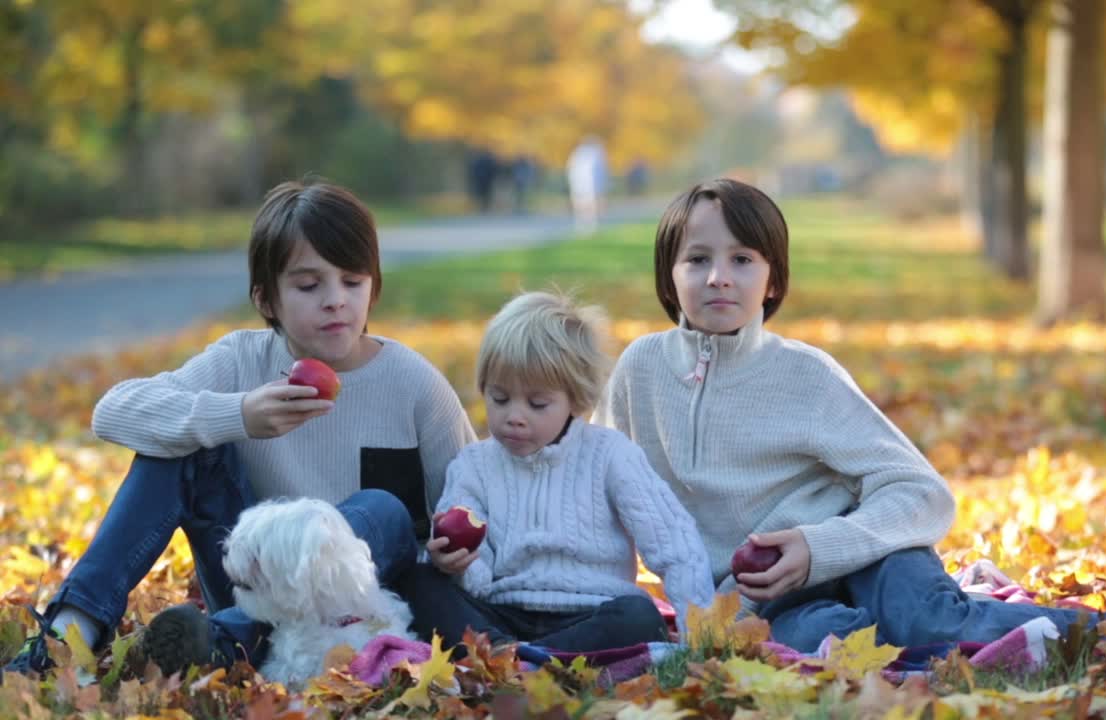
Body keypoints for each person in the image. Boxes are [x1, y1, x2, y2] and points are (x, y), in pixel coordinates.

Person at [593, 178, 1093, 653]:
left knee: (925, 622)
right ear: (669, 276)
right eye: (697, 259)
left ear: (772, 282)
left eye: (742, 259)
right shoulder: (640, 370)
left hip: (868, 552)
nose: (718, 276)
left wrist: (821, 547)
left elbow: (924, 494)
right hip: (764, 599)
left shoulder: (806, 375)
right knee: (827, 643)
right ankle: (948, 625)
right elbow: (596, 485)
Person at [2, 180, 477, 678]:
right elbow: (113, 411)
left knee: (382, 508)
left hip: (356, 607)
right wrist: (237, 415)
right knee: (183, 444)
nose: (336, 301)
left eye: (352, 281)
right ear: (266, 299)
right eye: (309, 285)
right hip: (251, 592)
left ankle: (221, 641)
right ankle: (67, 637)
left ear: (373, 288)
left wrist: (447, 557)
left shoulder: (413, 384)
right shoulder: (242, 360)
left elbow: (473, 506)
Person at [409, 291, 714, 654]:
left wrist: (702, 635)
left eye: (537, 403)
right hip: (502, 614)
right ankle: (520, 657)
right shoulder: (473, 466)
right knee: (419, 581)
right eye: (499, 398)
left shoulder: (611, 456)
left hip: (592, 612)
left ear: (576, 399)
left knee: (640, 614)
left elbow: (674, 544)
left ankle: (522, 661)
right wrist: (455, 564)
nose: (514, 416)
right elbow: (476, 581)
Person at [566, 136, 609, 232]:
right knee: (584, 204)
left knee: (587, 204)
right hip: (585, 184)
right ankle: (585, 224)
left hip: (584, 185)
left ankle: (588, 224)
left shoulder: (582, 154)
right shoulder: (590, 155)